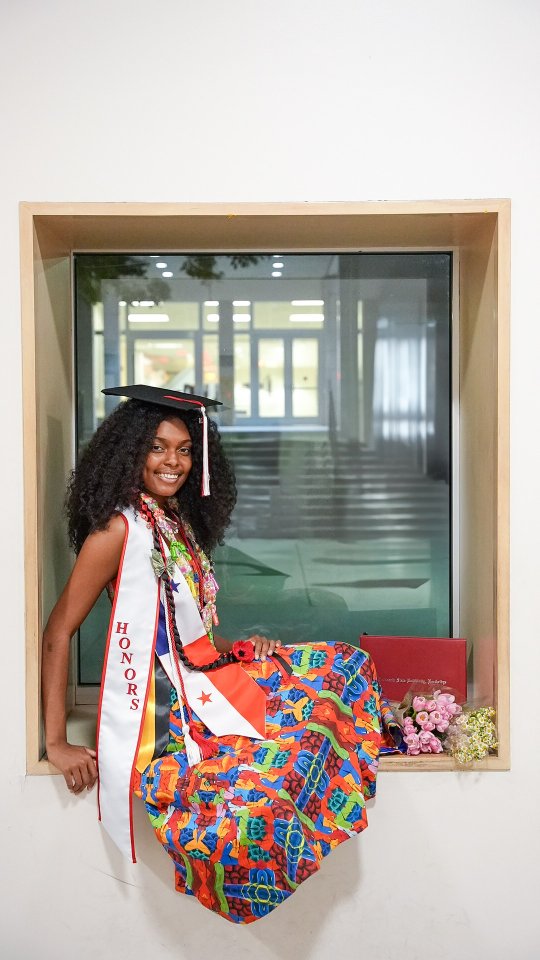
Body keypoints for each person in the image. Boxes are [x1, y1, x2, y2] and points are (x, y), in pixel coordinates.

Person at [42, 384, 401, 925]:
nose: (173, 462)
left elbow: (188, 628)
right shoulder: (120, 530)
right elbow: (57, 631)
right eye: (159, 447)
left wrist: (240, 649)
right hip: (173, 704)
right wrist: (54, 742)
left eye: (185, 450)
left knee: (342, 665)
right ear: (130, 452)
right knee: (249, 798)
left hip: (211, 676)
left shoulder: (173, 524)